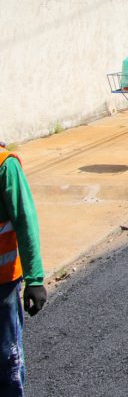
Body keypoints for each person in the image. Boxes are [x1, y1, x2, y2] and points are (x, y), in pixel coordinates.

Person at [0, 143, 47, 395]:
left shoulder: (5, 165)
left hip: (3, 287)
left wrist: (35, 279)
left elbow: (25, 221)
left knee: (7, 361)